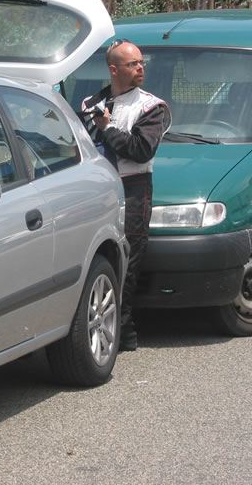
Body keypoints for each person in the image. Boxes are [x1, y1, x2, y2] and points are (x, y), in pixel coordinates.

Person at [81, 39, 171, 351]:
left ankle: (124, 331)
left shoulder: (151, 107)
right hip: (95, 191)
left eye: (141, 62)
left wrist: (107, 129)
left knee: (128, 260)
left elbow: (141, 150)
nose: (140, 68)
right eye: (133, 64)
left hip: (134, 191)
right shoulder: (90, 103)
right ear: (114, 69)